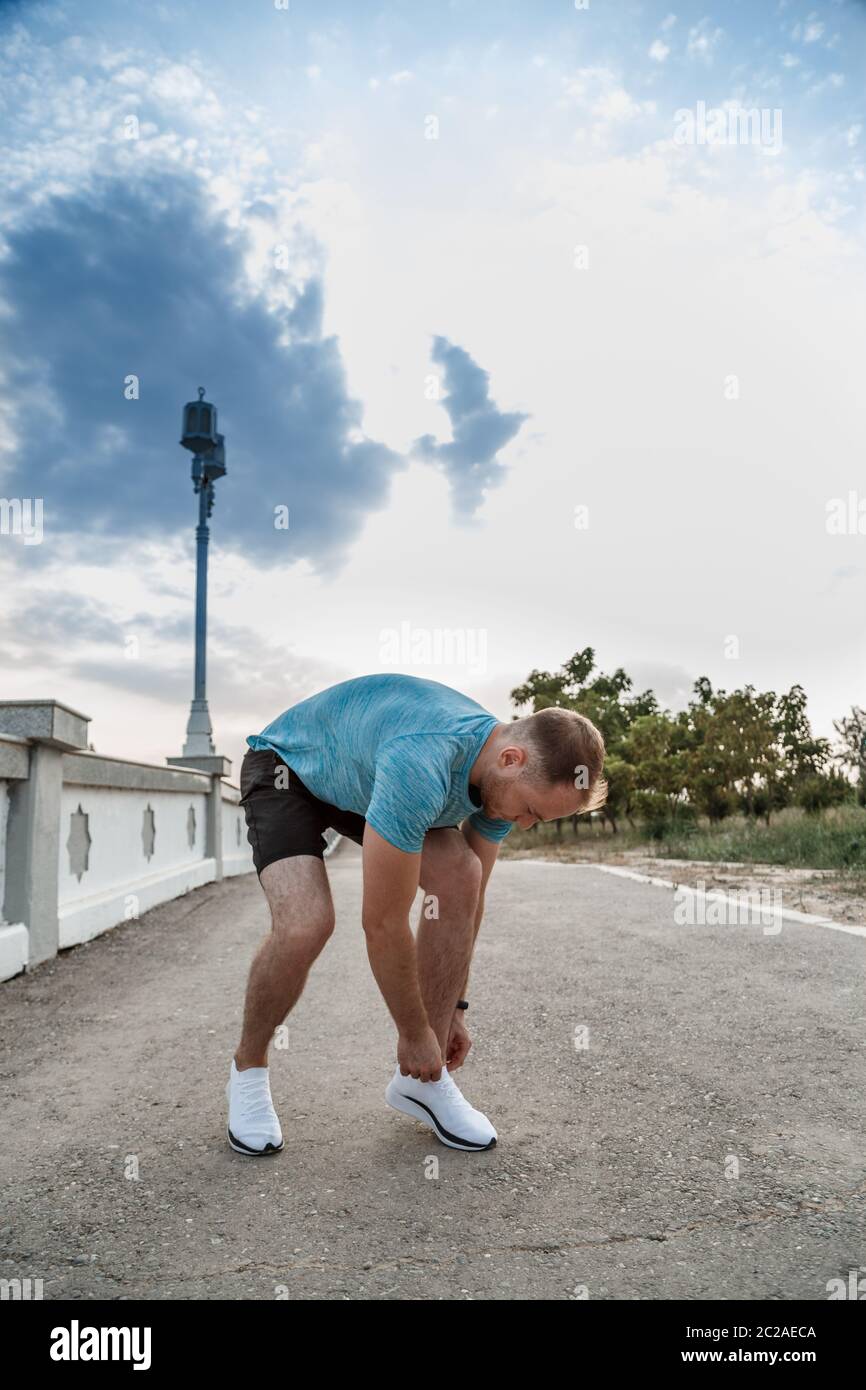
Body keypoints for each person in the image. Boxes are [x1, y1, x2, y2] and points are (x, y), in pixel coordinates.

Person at [226, 672, 607, 1156]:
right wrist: (414, 1033)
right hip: (290, 768)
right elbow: (384, 923)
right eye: (530, 810)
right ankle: (249, 1069)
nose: (525, 823)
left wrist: (452, 1015)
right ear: (513, 760)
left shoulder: (500, 777)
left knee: (461, 876)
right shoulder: (421, 762)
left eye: (538, 819)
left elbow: (469, 903)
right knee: (307, 924)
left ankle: (425, 1084)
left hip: (364, 780)